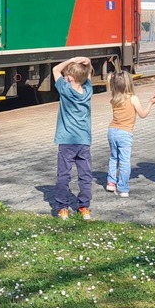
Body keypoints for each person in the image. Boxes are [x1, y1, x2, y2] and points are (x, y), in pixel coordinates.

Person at [52, 55, 94, 220]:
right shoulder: (88, 91)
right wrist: (88, 63)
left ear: (70, 77)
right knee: (85, 176)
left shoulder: (64, 89)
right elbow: (88, 74)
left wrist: (71, 59)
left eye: (67, 75)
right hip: (83, 142)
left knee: (64, 175)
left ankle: (62, 208)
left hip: (66, 141)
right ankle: (84, 207)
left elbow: (56, 69)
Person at [104, 70, 155, 198]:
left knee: (113, 157)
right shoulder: (133, 98)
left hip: (112, 131)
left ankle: (111, 183)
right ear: (129, 83)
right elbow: (143, 114)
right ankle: (123, 188)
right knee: (124, 161)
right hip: (125, 133)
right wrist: (150, 103)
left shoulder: (114, 97)